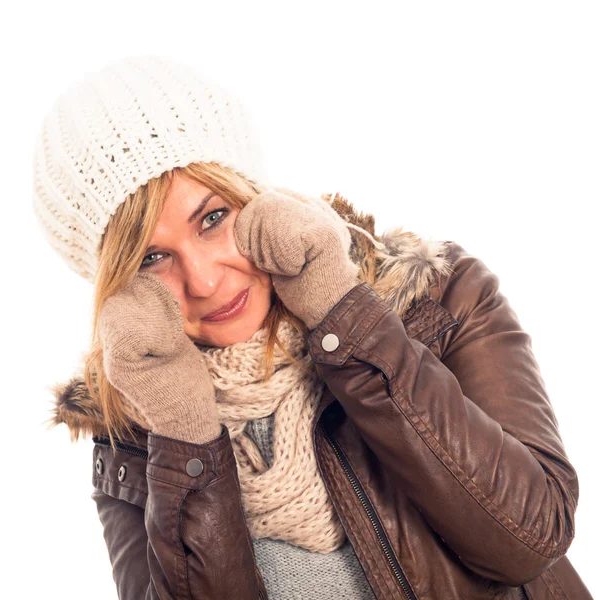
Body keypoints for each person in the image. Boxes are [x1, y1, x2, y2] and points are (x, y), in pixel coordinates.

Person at [32, 55, 592, 600]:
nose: (201, 281)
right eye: (151, 259)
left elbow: (531, 539)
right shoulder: (136, 437)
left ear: (255, 200)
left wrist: (342, 314)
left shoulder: (436, 298)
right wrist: (182, 421)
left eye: (212, 218)